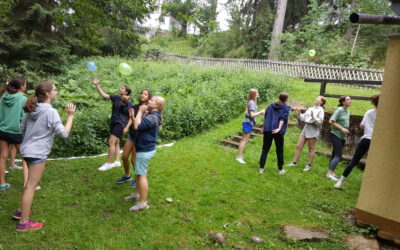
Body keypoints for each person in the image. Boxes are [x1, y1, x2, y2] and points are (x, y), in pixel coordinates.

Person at [14, 82, 76, 231]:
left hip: (26, 150)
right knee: (31, 186)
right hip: (37, 153)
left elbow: (21, 128)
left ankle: (20, 211)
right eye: (55, 90)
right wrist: (70, 117)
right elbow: (64, 133)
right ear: (48, 94)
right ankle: (24, 222)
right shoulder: (51, 112)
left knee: (29, 183)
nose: (57, 92)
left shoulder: (32, 108)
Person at [124, 96, 165, 212]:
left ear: (157, 105)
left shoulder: (152, 117)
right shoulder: (151, 114)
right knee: (138, 172)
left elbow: (137, 126)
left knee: (141, 175)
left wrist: (140, 111)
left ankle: (143, 203)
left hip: (145, 150)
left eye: (152, 100)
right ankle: (137, 194)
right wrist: (133, 116)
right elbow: (138, 122)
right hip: (143, 148)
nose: (149, 101)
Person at [335, 94, 379, 188]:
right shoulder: (386, 114)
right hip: (377, 141)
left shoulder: (369, 112)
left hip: (366, 139)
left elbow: (361, 126)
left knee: (354, 161)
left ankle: (340, 181)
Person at [92, 77, 132, 171]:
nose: (120, 88)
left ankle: (108, 163)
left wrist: (127, 127)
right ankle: (117, 161)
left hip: (121, 124)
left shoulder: (128, 102)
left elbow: (130, 116)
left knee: (111, 142)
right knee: (116, 142)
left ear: (126, 92)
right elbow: (104, 95)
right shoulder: (116, 97)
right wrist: (97, 85)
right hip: (114, 122)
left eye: (122, 88)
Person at [117, 89, 152, 186]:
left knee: (134, 160)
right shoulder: (136, 107)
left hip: (140, 137)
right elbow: (131, 119)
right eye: (141, 93)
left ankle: (138, 179)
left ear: (149, 97)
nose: (142, 95)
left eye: (145, 94)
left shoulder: (149, 109)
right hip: (132, 135)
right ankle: (127, 175)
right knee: (124, 157)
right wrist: (127, 127)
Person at [0, 77, 28, 191]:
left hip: (2, 130)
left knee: (2, 156)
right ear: (21, 86)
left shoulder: (3, 96)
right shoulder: (22, 99)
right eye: (25, 84)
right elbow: (24, 117)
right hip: (16, 131)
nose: (26, 85)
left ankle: (2, 183)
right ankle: (28, 184)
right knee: (25, 158)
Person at [288, 96, 326, 171]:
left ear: (321, 102)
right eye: (316, 98)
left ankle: (308, 165)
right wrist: (299, 114)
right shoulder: (310, 108)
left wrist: (313, 117)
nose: (316, 99)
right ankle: (294, 163)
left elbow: (319, 123)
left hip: (313, 130)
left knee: (311, 148)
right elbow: (303, 118)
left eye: (318, 99)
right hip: (306, 128)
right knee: (299, 146)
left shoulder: (321, 110)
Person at [259, 92, 291, 175]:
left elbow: (266, 116)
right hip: (277, 131)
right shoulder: (286, 108)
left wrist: (264, 126)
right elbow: (282, 119)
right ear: (286, 99)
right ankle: (280, 169)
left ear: (279, 97)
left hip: (268, 130)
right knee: (279, 150)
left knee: (265, 149)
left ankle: (261, 168)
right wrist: (279, 128)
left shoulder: (271, 105)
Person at [236, 89, 265, 164]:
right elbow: (252, 115)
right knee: (245, 140)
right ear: (254, 94)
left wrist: (259, 113)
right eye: (257, 92)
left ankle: (239, 156)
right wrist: (261, 112)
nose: (258, 93)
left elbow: (249, 112)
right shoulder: (252, 103)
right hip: (248, 123)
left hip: (248, 123)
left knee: (244, 140)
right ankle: (239, 157)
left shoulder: (251, 102)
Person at [326, 96, 351, 181]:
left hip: (342, 136)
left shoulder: (348, 111)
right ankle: (329, 174)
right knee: (338, 155)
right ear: (343, 102)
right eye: (348, 99)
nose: (350, 100)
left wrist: (345, 137)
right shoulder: (339, 110)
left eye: (350, 99)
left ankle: (330, 172)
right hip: (335, 134)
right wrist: (342, 129)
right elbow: (331, 121)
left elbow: (345, 125)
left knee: (334, 155)